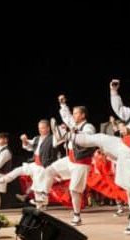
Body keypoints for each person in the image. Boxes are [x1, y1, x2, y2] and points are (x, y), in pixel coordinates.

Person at [68, 79, 130, 235]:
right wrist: (114, 91)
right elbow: (118, 108)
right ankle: (72, 136)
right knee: (100, 137)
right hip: (123, 147)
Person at [40, 95, 96, 226]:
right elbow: (66, 116)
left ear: (82, 115)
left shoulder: (89, 127)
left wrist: (69, 133)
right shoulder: (73, 124)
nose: (73, 115)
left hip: (81, 163)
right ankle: (44, 195)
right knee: (49, 170)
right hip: (70, 159)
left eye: (76, 113)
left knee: (74, 190)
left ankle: (77, 216)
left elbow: (86, 139)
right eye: (74, 113)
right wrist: (63, 104)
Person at [0, 119, 58, 210]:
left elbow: (60, 138)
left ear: (48, 128)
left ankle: (41, 208)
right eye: (39, 128)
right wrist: (24, 140)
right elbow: (28, 146)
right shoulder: (37, 138)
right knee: (17, 171)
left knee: (38, 191)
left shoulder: (53, 138)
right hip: (34, 164)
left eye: (43, 128)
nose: (40, 130)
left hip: (43, 167)